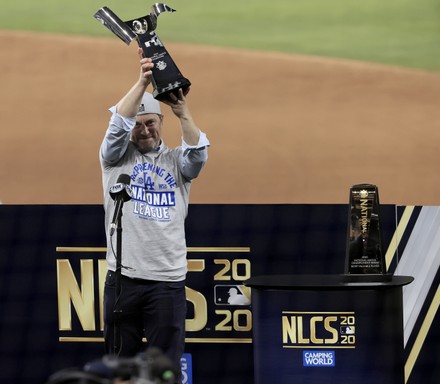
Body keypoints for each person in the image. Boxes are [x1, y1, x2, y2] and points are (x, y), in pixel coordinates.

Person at [100, 48, 209, 380]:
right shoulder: (115, 158)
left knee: (165, 370)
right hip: (123, 281)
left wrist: (182, 110)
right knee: (119, 368)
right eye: (139, 125)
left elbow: (198, 155)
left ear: (161, 123)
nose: (144, 130)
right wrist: (144, 80)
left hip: (167, 283)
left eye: (151, 123)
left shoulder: (177, 162)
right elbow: (118, 122)